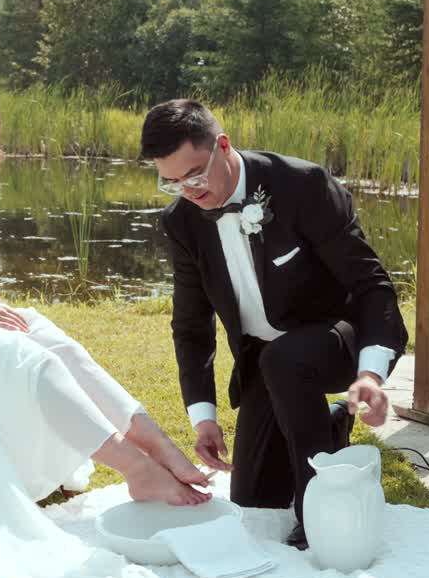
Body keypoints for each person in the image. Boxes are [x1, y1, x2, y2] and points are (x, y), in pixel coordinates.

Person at [0, 69, 210, 520]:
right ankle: (135, 468)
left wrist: (0, 310)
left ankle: (159, 446)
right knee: (35, 362)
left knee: (62, 347)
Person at [143, 99, 409, 549]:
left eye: (195, 174)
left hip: (334, 337)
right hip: (266, 359)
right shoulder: (182, 222)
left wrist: (369, 374)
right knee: (254, 498)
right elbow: (191, 325)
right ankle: (328, 424)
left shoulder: (301, 185)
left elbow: (371, 285)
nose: (188, 190)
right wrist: (203, 418)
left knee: (287, 360)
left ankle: (318, 513)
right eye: (171, 182)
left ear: (222, 146)